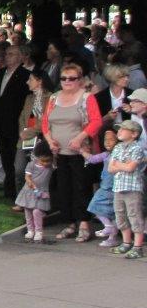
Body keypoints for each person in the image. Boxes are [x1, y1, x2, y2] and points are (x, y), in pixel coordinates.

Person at [42, 63, 102, 242]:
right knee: (63, 188)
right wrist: (49, 140)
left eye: (72, 78)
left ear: (80, 80)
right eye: (64, 78)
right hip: (59, 152)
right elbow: (45, 122)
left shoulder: (86, 97)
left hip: (80, 152)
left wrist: (80, 138)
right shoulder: (53, 98)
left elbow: (96, 121)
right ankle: (69, 223)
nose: (67, 82)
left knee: (81, 187)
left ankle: (84, 223)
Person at [0, 45, 31, 198]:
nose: (8, 57)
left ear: (20, 57)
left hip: (15, 121)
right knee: (5, 155)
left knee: (16, 157)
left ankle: (17, 189)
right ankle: (9, 187)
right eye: (6, 54)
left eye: (12, 54)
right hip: (0, 121)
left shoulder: (25, 75)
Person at [14, 69, 55, 202]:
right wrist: (23, 132)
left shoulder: (51, 98)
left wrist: (31, 131)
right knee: (20, 169)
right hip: (25, 139)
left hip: (42, 139)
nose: (27, 82)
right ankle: (22, 200)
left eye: (30, 79)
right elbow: (22, 117)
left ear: (39, 81)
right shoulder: (29, 98)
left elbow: (47, 119)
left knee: (40, 172)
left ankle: (38, 201)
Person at [108, 120, 144, 259]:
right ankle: (126, 242)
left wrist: (119, 164)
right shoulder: (117, 148)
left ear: (134, 134)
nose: (120, 132)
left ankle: (138, 246)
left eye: (124, 129)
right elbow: (111, 168)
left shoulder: (137, 149)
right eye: (119, 129)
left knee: (134, 215)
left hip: (132, 187)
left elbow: (131, 168)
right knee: (120, 215)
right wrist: (123, 164)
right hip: (118, 187)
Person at [84, 130, 119, 248]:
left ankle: (108, 227)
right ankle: (112, 237)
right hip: (107, 186)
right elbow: (93, 159)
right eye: (105, 140)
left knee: (94, 206)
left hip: (111, 188)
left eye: (111, 139)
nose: (108, 142)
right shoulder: (106, 154)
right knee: (111, 213)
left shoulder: (119, 154)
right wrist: (81, 151)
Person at [15, 140, 55, 243]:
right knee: (28, 211)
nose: (46, 163)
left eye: (48, 161)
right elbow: (27, 177)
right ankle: (30, 230)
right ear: (37, 157)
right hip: (30, 191)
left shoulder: (50, 167)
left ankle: (39, 231)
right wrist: (32, 185)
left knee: (37, 211)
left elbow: (55, 162)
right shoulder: (31, 165)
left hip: (42, 192)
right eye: (43, 161)